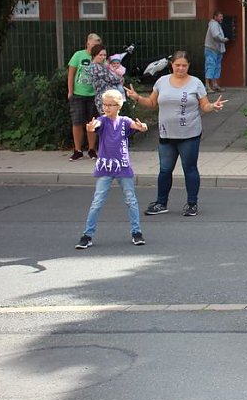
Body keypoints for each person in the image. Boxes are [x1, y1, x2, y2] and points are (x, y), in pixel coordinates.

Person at [126, 50, 227, 217]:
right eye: (177, 65)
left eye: (184, 65)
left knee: (190, 169)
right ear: (171, 65)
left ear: (188, 66)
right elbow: (151, 102)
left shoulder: (196, 83)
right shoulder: (162, 82)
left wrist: (213, 106)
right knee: (165, 170)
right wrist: (137, 97)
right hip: (166, 134)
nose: (180, 68)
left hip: (189, 134)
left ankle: (192, 204)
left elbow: (204, 105)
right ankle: (161, 203)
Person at [74, 89, 149, 249]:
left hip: (123, 167)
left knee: (131, 200)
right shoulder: (102, 120)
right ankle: (87, 235)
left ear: (119, 106)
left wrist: (142, 127)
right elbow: (96, 125)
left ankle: (136, 232)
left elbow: (136, 125)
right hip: (105, 168)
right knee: (97, 202)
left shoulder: (124, 121)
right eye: (104, 104)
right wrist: (91, 128)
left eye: (110, 105)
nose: (106, 108)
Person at [67, 33, 102, 161]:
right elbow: (71, 74)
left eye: (98, 45)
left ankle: (92, 149)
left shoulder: (100, 57)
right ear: (88, 43)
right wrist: (70, 91)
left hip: (93, 94)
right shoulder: (78, 55)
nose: (95, 47)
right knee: (77, 122)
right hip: (78, 94)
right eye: (94, 44)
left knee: (92, 122)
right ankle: (78, 150)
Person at [88, 44, 122, 115]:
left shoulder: (101, 66)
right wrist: (120, 79)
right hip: (104, 99)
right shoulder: (96, 67)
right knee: (108, 119)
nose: (103, 57)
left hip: (108, 98)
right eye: (100, 55)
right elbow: (111, 78)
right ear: (94, 55)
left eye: (104, 55)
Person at [204, 10, 229, 93]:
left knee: (215, 67)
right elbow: (215, 35)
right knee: (211, 66)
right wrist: (223, 39)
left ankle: (214, 85)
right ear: (215, 17)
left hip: (216, 49)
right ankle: (208, 86)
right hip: (212, 49)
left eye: (222, 16)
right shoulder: (214, 24)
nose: (221, 18)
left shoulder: (216, 24)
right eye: (220, 16)